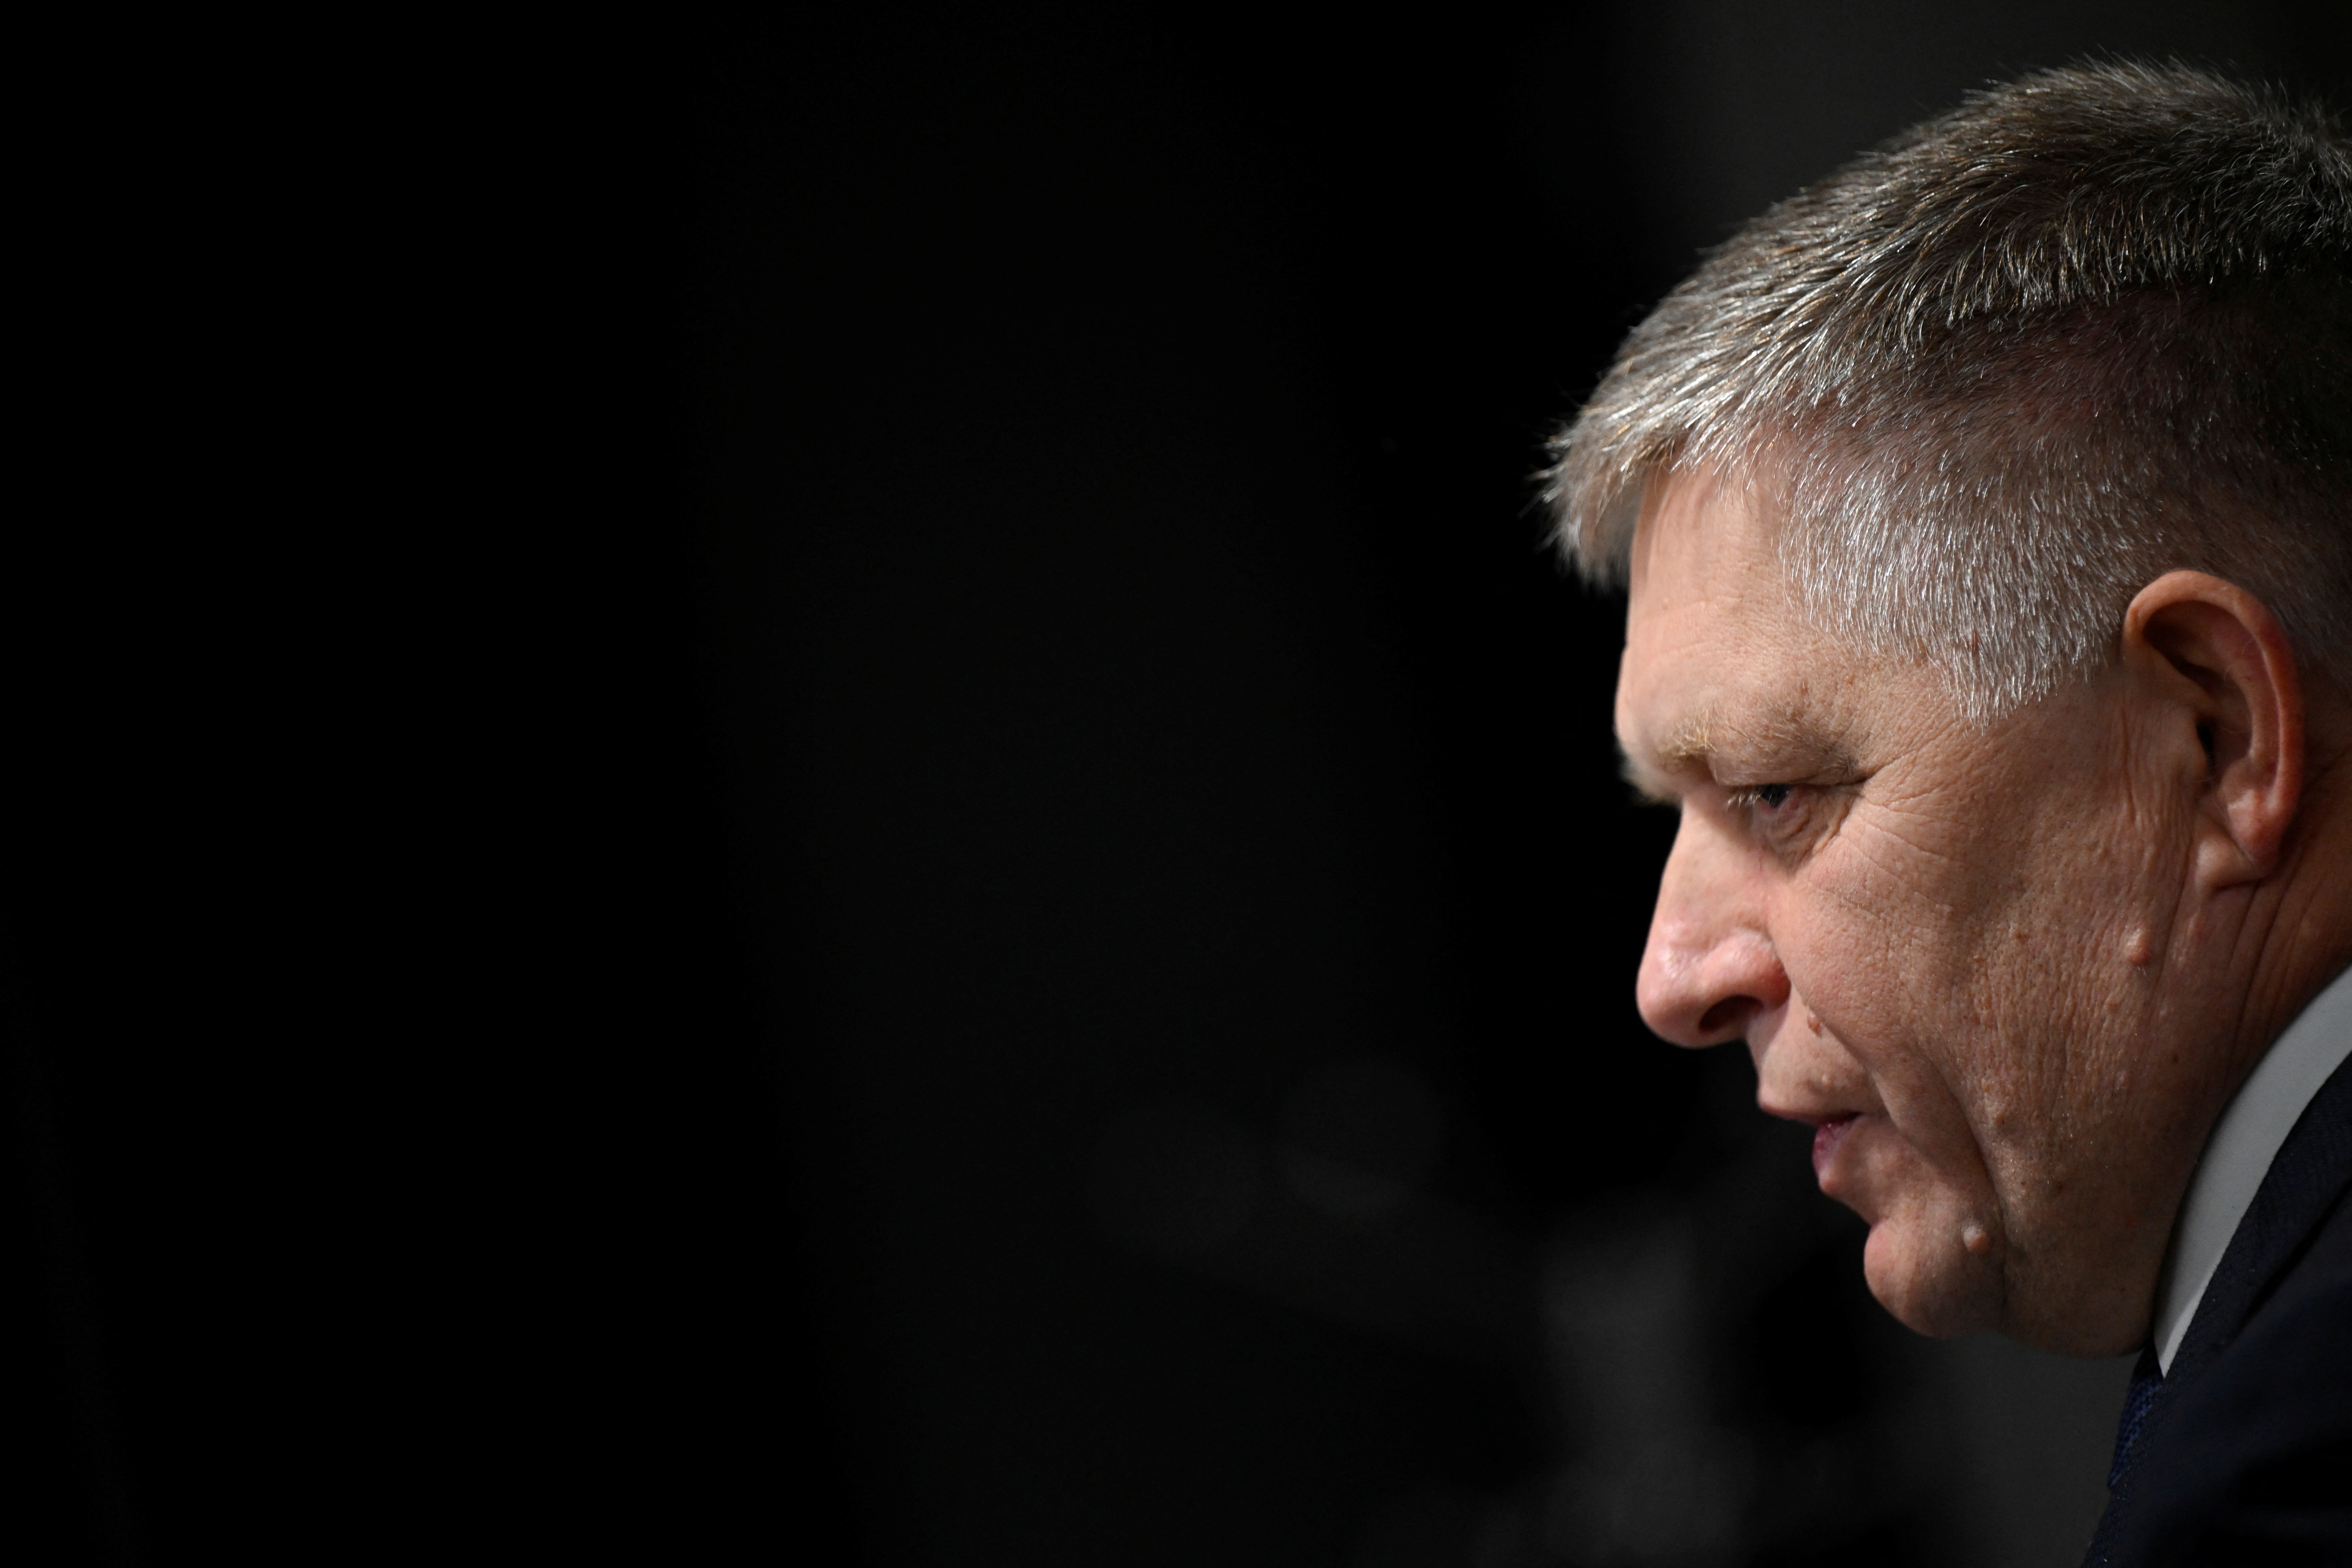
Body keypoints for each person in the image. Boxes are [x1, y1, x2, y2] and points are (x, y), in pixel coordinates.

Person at [1545, 63, 2351, 1564]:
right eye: (1674, 811)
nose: (1674, 976)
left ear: (2210, 734)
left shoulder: (2290, 1468)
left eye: (1774, 791)